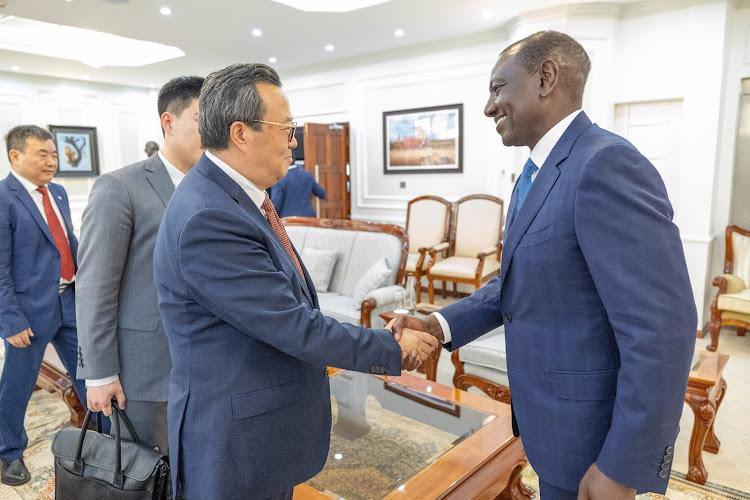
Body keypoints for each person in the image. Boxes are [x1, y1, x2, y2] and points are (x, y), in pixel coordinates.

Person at [392, 31, 697, 499]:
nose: (489, 106)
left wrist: (622, 466)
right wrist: (437, 323)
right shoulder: (536, 172)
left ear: (545, 78)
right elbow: (519, 281)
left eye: (498, 88)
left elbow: (662, 329)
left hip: (592, 444)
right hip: (550, 429)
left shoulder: (605, 164)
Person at [153, 63, 438, 499]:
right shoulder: (209, 216)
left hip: (258, 424)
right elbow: (291, 323)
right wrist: (391, 345)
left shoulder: (237, 198)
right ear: (241, 133)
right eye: (286, 129)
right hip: (234, 440)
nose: (294, 142)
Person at [75, 76, 204, 463]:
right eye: (203, 119)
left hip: (207, 364)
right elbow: (95, 286)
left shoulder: (215, 189)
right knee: (144, 472)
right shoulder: (120, 187)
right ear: (169, 121)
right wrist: (99, 373)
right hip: (145, 369)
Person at [0, 125, 88, 486]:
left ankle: (101, 436)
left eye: (54, 154)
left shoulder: (60, 193)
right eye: (43, 154)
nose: (52, 161)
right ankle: (8, 453)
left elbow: (67, 242)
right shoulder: (4, 198)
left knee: (91, 370)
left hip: (71, 301)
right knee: (17, 385)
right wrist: (10, 320)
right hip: (28, 313)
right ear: (15, 156)